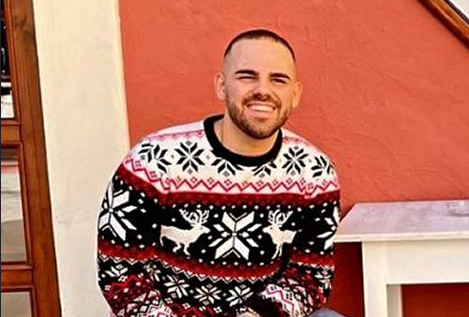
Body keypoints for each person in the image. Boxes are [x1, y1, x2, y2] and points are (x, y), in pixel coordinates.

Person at [97, 29, 343, 317]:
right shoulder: (153, 161)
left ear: (296, 93)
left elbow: (310, 275)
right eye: (247, 76)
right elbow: (120, 275)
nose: (263, 90)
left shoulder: (314, 172)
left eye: (278, 79)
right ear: (222, 86)